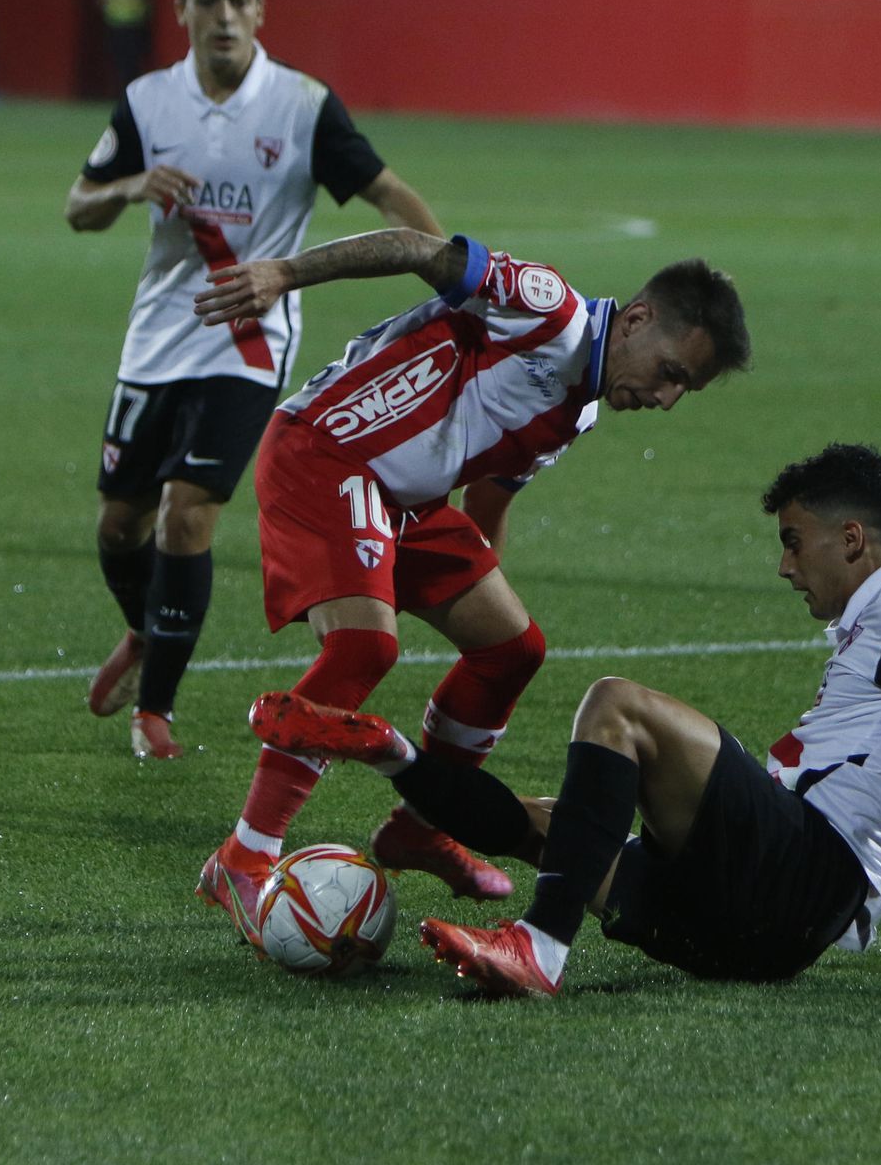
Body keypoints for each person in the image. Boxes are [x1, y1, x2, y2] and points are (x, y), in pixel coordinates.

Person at [249, 443, 881, 1001]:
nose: (785, 566)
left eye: (793, 542)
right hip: (749, 928)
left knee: (616, 706)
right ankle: (392, 751)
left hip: (804, 872)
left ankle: (540, 949)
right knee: (551, 831)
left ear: (851, 539)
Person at [189, 227, 751, 951]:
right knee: (364, 645)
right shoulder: (548, 310)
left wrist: (483, 584)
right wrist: (283, 274)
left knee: (512, 648)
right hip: (326, 452)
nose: (668, 399)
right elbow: (417, 246)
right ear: (638, 317)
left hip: (402, 500)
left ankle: (423, 826)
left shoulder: (575, 411)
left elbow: (488, 502)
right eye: (671, 372)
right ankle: (246, 855)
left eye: (686, 389)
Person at [65, 0, 441, 761]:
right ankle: (145, 629)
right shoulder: (148, 101)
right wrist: (131, 186)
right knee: (117, 523)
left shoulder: (302, 106)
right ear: (183, 11)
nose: (225, 16)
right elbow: (79, 206)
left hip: (249, 344)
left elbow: (385, 189)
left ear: (261, 12)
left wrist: (453, 269)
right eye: (209, 0)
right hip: (158, 338)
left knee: (186, 514)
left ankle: (156, 711)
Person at [99, 0, 148, 94]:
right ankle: (125, 91)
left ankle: (130, 92)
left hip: (131, 23)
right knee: (122, 62)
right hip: (119, 23)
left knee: (129, 62)